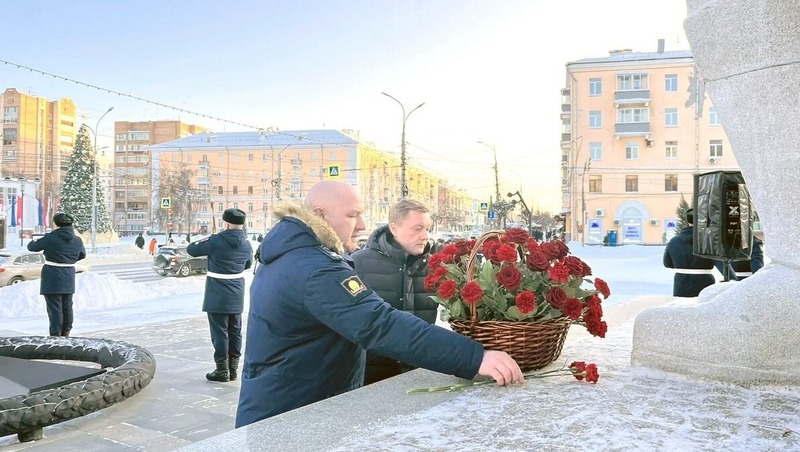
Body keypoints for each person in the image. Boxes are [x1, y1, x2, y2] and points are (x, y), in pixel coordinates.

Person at [236, 180, 523, 427]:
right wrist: (475, 357)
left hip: (291, 401)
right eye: (352, 215)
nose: (361, 224)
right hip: (292, 413)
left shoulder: (298, 255)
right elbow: (379, 324)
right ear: (319, 215)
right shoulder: (315, 269)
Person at [351, 199, 438, 384]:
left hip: (419, 371)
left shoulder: (435, 267)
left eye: (427, 229)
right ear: (394, 228)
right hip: (371, 376)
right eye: (417, 228)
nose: (425, 236)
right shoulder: (358, 264)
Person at [187, 208, 253, 382]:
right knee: (235, 331)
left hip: (217, 291)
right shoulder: (247, 244)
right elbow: (247, 265)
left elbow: (191, 250)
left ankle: (221, 370)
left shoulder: (216, 241)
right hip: (237, 291)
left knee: (219, 331)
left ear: (226, 223)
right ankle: (233, 369)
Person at [26, 212, 86, 336]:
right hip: (69, 274)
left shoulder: (51, 237)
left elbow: (32, 247)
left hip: (52, 274)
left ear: (56, 224)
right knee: (67, 305)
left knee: (54, 307)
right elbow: (82, 255)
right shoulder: (77, 239)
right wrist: (68, 259)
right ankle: (66, 331)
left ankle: (55, 334)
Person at [663, 208, 717, 297]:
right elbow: (718, 260)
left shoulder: (674, 241)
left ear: (687, 221)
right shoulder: (708, 240)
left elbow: (667, 263)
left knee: (683, 308)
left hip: (681, 283)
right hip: (705, 281)